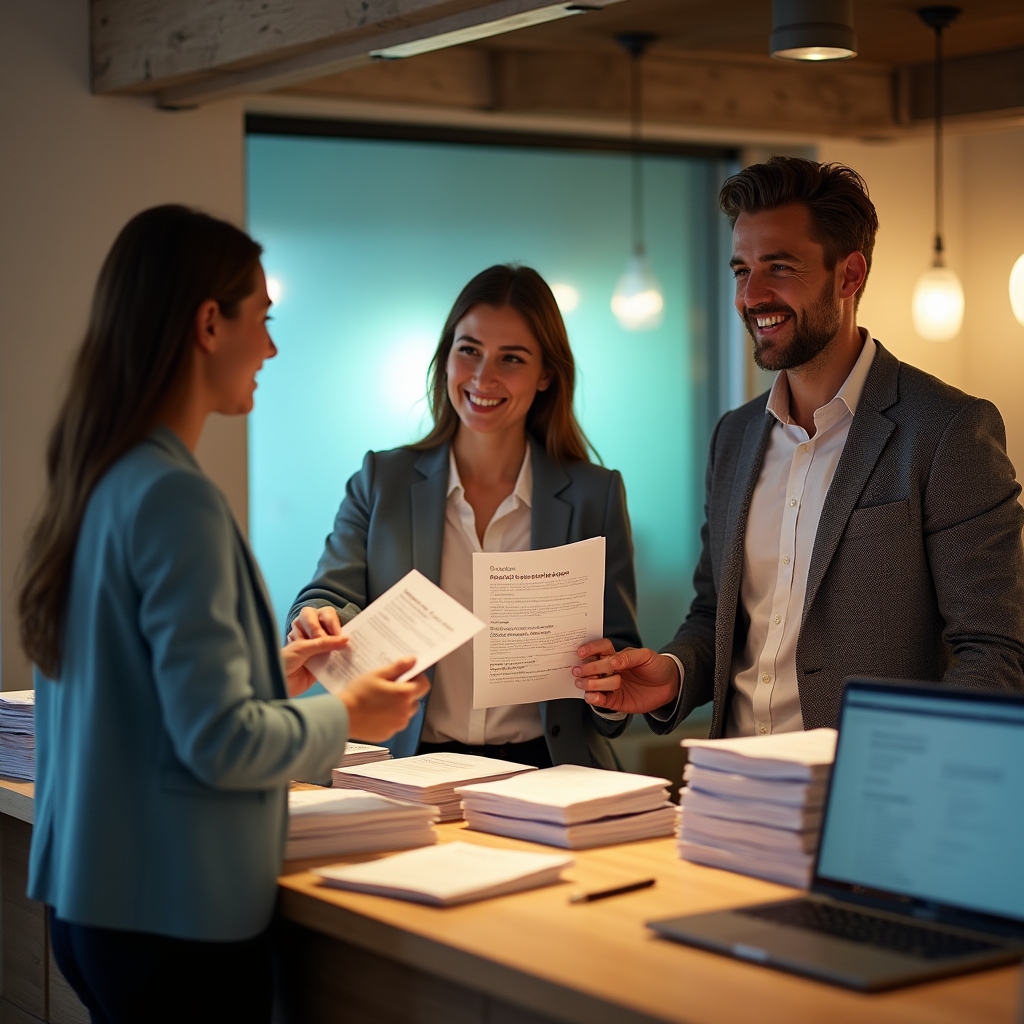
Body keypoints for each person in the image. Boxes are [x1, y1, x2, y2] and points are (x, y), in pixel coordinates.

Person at [18, 206, 429, 1024]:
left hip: (93, 902)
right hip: (172, 915)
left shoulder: (104, 476)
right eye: (264, 321)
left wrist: (269, 678)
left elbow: (132, 688)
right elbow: (218, 743)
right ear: (211, 323)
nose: (271, 350)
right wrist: (344, 709)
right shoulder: (175, 496)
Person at [573, 156, 1024, 737]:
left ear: (849, 275)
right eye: (741, 270)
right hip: (734, 791)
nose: (752, 295)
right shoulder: (733, 437)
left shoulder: (946, 431)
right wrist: (673, 673)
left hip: (863, 800)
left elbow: (994, 652)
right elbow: (718, 614)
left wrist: (900, 772)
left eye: (779, 267)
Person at [287, 264, 640, 769]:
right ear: (445, 357)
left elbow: (620, 660)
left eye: (511, 358)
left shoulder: (594, 495)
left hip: (549, 769)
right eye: (468, 350)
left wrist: (607, 680)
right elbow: (327, 597)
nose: (482, 377)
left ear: (546, 375)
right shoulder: (381, 480)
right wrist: (316, 623)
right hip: (410, 766)